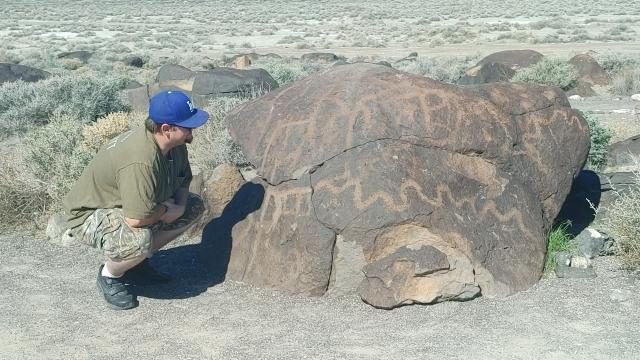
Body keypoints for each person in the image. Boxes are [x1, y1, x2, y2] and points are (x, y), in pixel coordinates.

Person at [63, 90, 208, 310]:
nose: (193, 131)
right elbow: (135, 219)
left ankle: (135, 263)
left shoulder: (173, 146)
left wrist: (178, 207)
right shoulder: (140, 160)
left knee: (193, 206)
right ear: (166, 129)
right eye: (188, 126)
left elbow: (183, 180)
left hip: (131, 204)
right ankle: (110, 276)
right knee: (138, 240)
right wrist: (165, 211)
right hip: (90, 214)